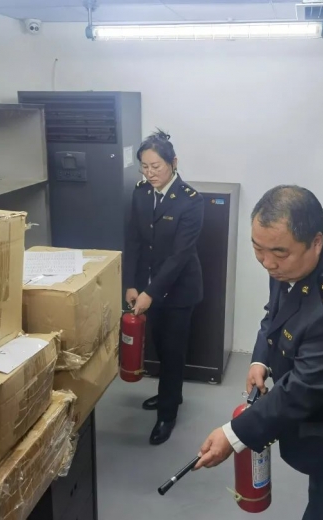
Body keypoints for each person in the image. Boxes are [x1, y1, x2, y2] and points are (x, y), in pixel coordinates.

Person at [194, 185, 323, 520]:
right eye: (257, 249)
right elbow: (276, 313)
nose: (267, 263)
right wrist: (261, 358)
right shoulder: (291, 262)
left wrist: (233, 435)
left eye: (278, 253)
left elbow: (302, 390)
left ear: (316, 241)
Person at [123, 130, 204, 445]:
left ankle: (168, 413)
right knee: (158, 345)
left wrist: (150, 293)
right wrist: (131, 284)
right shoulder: (141, 193)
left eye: (156, 166)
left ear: (173, 162)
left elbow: (179, 257)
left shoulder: (191, 201)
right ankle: (171, 393)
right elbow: (134, 240)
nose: (150, 173)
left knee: (172, 352)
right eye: (144, 167)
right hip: (148, 287)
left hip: (179, 290)